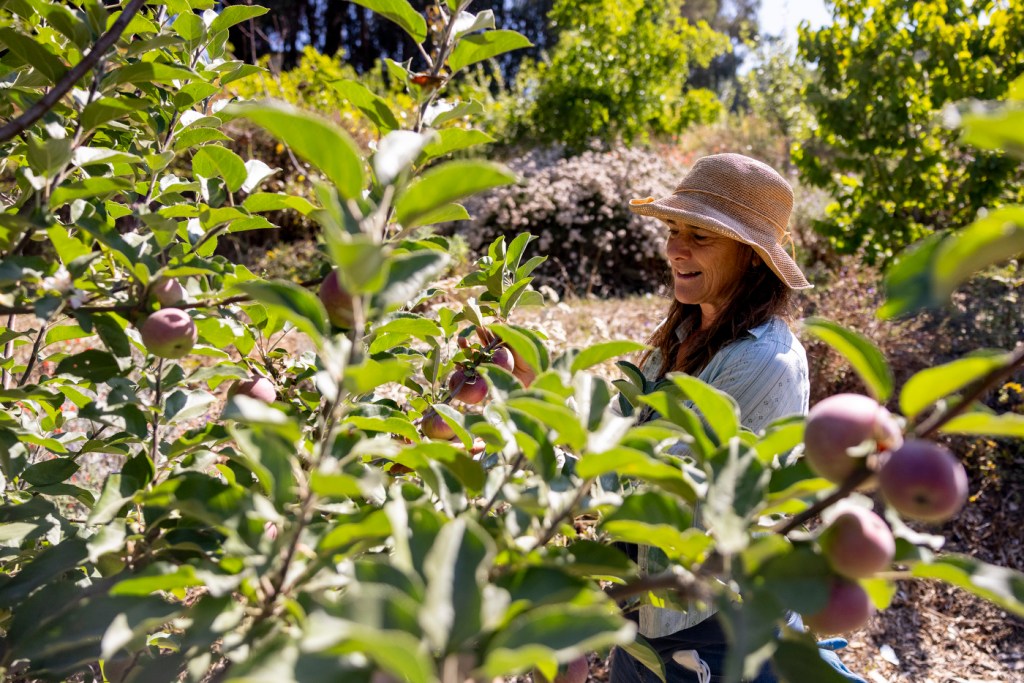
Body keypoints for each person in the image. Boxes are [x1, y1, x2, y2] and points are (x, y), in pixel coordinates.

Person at [609, 153, 866, 683]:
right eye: (675, 229)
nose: (676, 248)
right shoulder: (680, 340)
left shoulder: (761, 361)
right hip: (649, 617)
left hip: (713, 630)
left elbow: (652, 480)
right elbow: (617, 438)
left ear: (752, 257)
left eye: (701, 237)